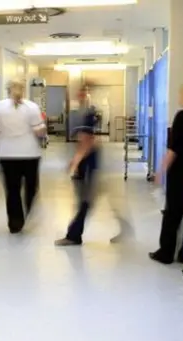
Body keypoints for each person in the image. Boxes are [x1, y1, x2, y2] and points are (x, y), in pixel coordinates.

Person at [55, 85, 132, 246]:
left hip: (89, 165)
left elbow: (87, 142)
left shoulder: (88, 114)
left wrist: (75, 161)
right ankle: (125, 227)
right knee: (96, 199)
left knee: (85, 201)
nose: (81, 95)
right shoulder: (81, 114)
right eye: (80, 92)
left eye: (84, 93)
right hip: (90, 164)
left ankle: (74, 235)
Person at [0, 80, 46, 233]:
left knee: (12, 190)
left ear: (7, 90)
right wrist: (42, 129)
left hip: (6, 154)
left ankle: (15, 223)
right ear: (23, 90)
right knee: (31, 188)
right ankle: (28, 209)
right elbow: (39, 131)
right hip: (29, 154)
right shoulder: (32, 107)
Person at [149, 78, 183, 265]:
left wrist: (161, 171)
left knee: (172, 213)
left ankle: (166, 252)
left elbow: (173, 149)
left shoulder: (182, 117)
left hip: (180, 173)